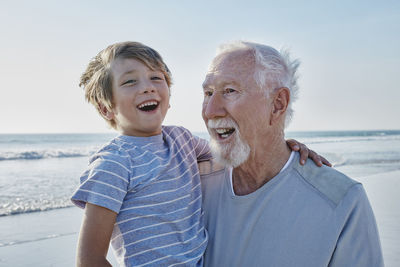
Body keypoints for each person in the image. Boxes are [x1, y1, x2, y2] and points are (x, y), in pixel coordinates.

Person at [70, 41, 321, 267]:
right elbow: (89, 259)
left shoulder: (181, 140)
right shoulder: (113, 163)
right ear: (106, 108)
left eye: (156, 78)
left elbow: (234, 155)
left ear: (169, 95)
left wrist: (281, 145)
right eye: (130, 81)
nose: (147, 88)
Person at [200, 41, 384, 267]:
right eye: (208, 93)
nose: (210, 110)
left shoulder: (341, 200)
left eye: (230, 91)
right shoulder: (187, 185)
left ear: (278, 104)